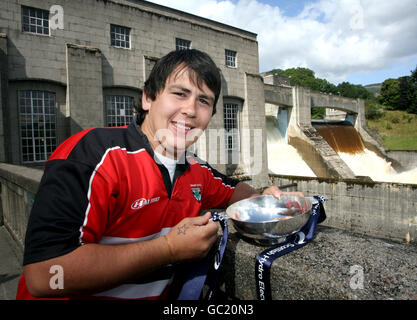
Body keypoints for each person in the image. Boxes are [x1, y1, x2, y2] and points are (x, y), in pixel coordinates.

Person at [16, 49, 292, 300]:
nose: (191, 110)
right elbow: (44, 275)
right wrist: (169, 249)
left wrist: (264, 196)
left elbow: (234, 190)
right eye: (180, 94)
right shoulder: (92, 154)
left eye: (204, 101)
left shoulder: (196, 170)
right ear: (148, 97)